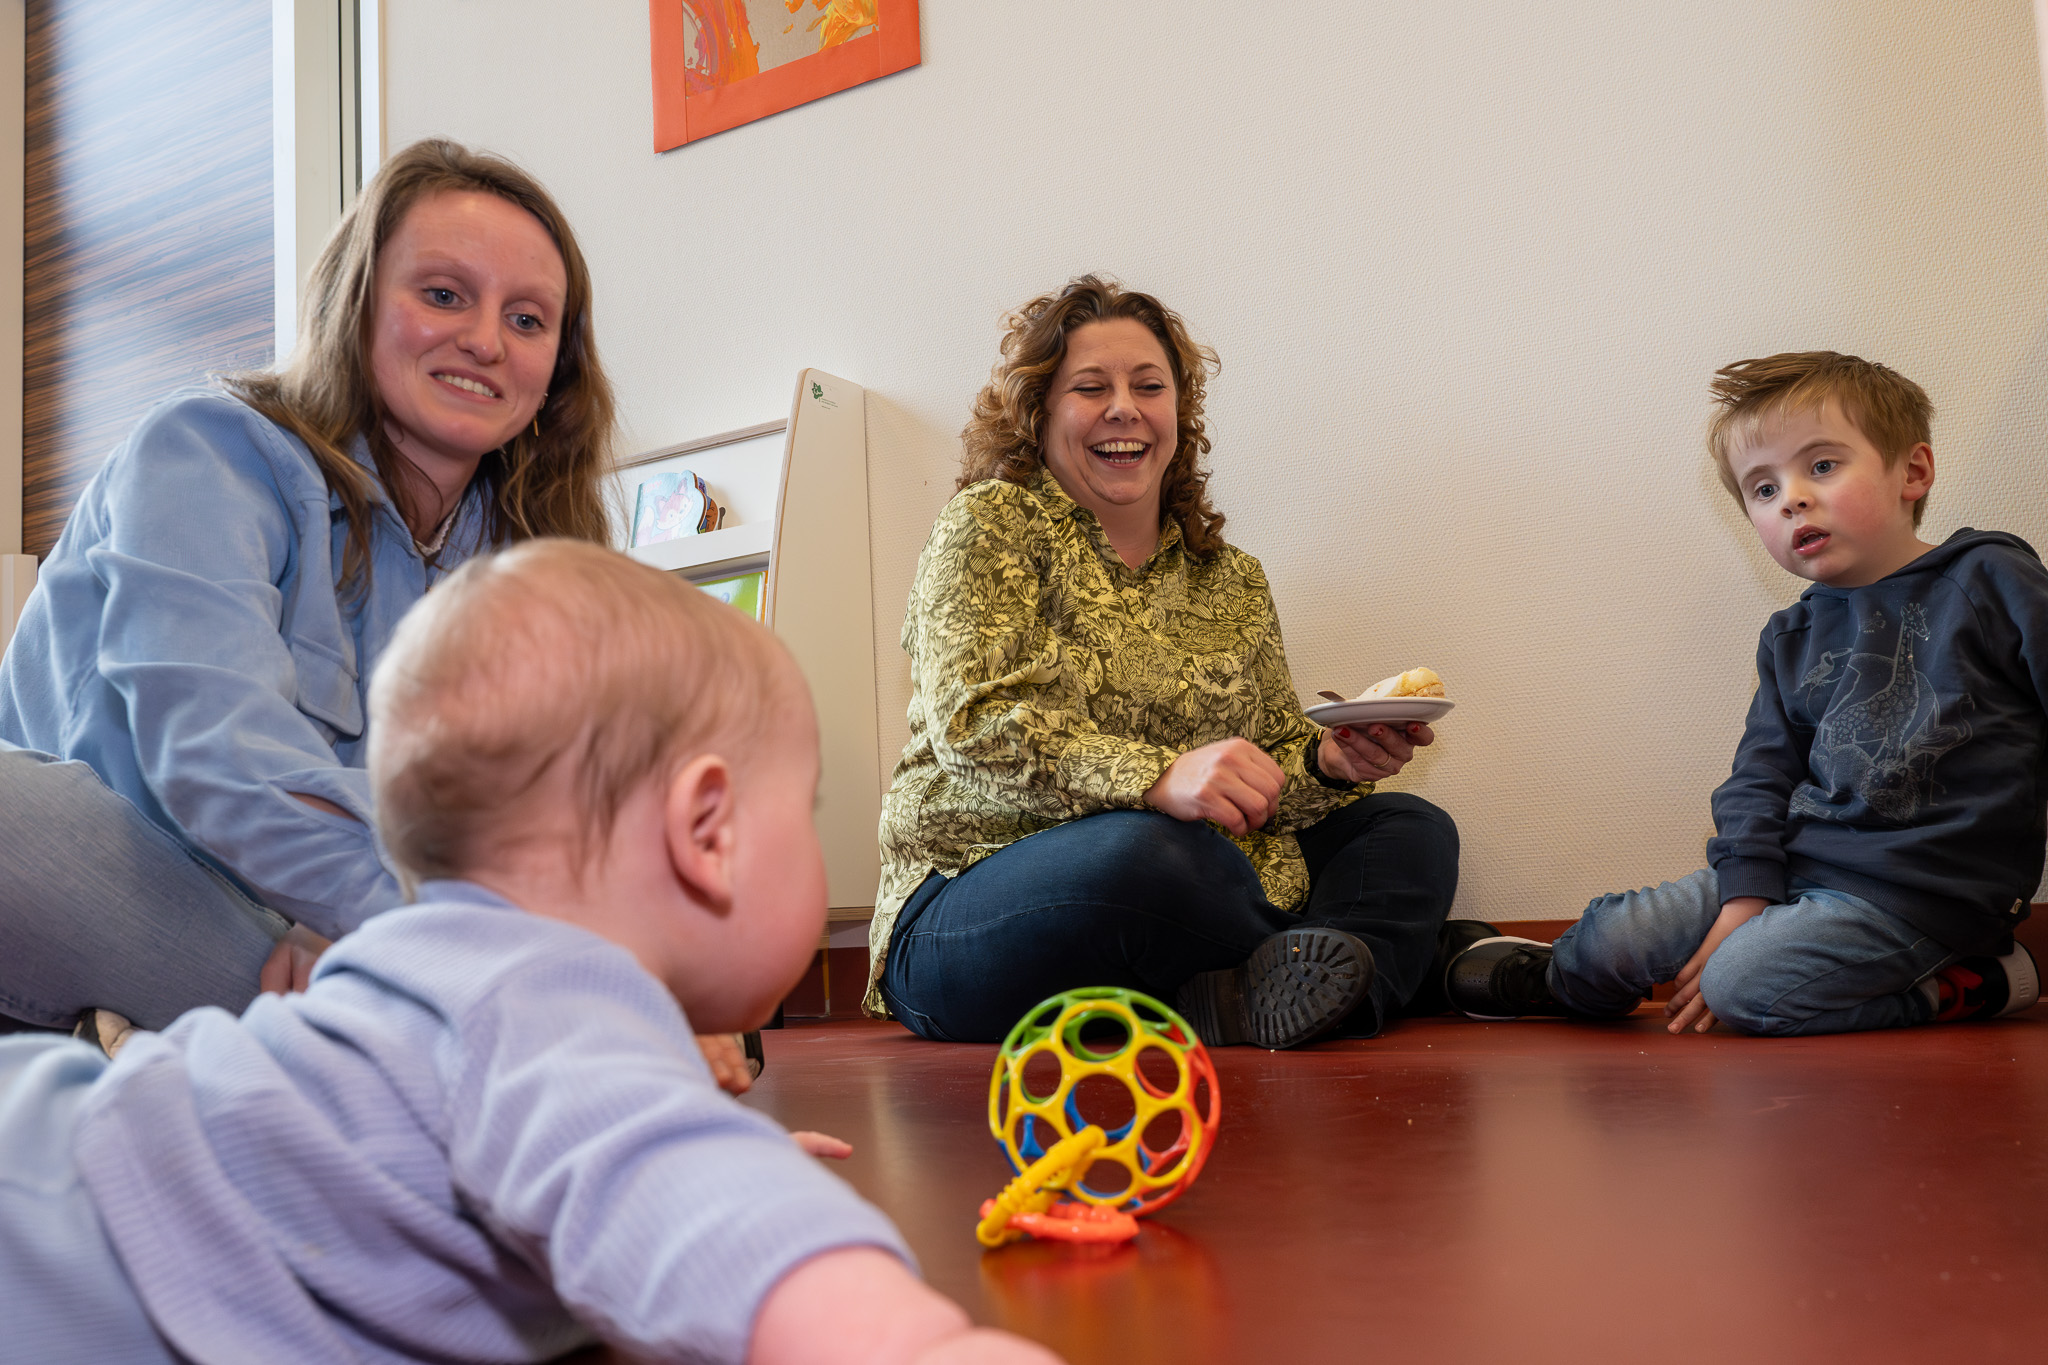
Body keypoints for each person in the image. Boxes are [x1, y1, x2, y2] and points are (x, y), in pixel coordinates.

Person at [0, 539, 1062, 1365]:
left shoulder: (458, 980)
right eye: (807, 803)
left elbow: (589, 1158)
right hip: (57, 1242)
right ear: (709, 831)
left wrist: (680, 1155)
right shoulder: (536, 995)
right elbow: (667, 1187)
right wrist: (922, 1342)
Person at [0, 139, 616, 1036]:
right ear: (357, 302)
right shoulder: (206, 449)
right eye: (443, 294)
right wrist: (396, 924)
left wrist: (344, 921)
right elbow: (217, 757)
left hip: (320, 950)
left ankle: (377, 1048)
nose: (485, 340)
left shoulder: (533, 563)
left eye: (528, 320)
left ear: (557, 364)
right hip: (129, 903)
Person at [870, 275, 1467, 1049]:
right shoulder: (989, 525)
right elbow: (976, 726)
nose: (1124, 406)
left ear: (1177, 414)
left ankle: (1273, 990)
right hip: (973, 895)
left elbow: (1262, 775)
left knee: (1409, 826)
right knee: (1149, 852)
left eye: (1148, 386)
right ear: (1040, 413)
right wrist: (1157, 778)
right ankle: (1402, 968)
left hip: (1196, 886)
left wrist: (1328, 760)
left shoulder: (1232, 577)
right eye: (1091, 387)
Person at [1447, 352, 2043, 1035]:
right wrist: (1745, 896)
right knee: (1610, 936)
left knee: (1742, 988)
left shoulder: (1991, 577)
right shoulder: (1791, 635)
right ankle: (1558, 980)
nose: (1790, 497)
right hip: (1795, 867)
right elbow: (1760, 777)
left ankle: (1972, 984)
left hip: (1924, 897)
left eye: (1821, 466)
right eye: (1763, 489)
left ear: (1912, 472)